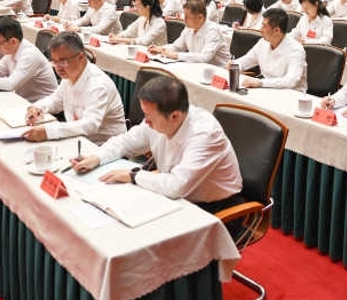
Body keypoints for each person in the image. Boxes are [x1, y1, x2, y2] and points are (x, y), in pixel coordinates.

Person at [69, 77, 243, 213]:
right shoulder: (160, 117)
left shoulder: (205, 134)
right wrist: (97, 158)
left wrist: (133, 176)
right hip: (175, 194)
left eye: (149, 117)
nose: (145, 121)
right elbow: (125, 142)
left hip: (214, 207)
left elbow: (177, 186)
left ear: (174, 116)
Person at [21, 32, 126, 144]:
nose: (58, 68)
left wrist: (48, 132)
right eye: (54, 61)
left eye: (62, 61)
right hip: (78, 139)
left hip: (103, 145)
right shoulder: (70, 74)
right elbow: (57, 100)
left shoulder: (98, 84)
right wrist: (37, 107)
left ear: (81, 57)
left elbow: (90, 125)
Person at [233, 9, 307, 91]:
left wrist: (261, 83)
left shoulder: (295, 50)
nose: (260, 29)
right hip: (267, 88)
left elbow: (290, 81)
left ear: (276, 30)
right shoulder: (263, 43)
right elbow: (246, 61)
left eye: (264, 26)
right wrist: (234, 65)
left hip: (292, 93)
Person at [149, 0, 230, 66]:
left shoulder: (212, 30)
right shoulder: (189, 28)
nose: (184, 20)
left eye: (188, 17)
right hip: (198, 67)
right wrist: (161, 49)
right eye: (184, 16)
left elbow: (205, 57)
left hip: (219, 72)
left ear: (200, 17)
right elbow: (177, 47)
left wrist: (175, 55)